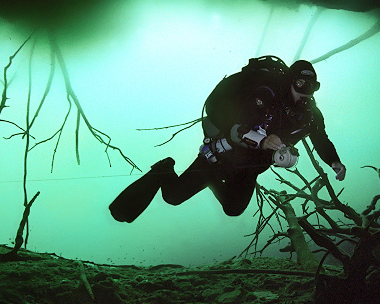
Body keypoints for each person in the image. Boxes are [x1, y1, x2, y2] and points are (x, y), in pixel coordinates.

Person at [109, 56, 347, 222]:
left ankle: (215, 182)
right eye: (300, 83)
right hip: (219, 157)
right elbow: (238, 127)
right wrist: (263, 141)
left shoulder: (311, 116)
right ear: (289, 81)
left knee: (233, 209)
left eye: (312, 86)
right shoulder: (267, 94)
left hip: (249, 170)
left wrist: (334, 161)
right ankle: (164, 169)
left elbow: (320, 138)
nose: (305, 91)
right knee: (172, 197)